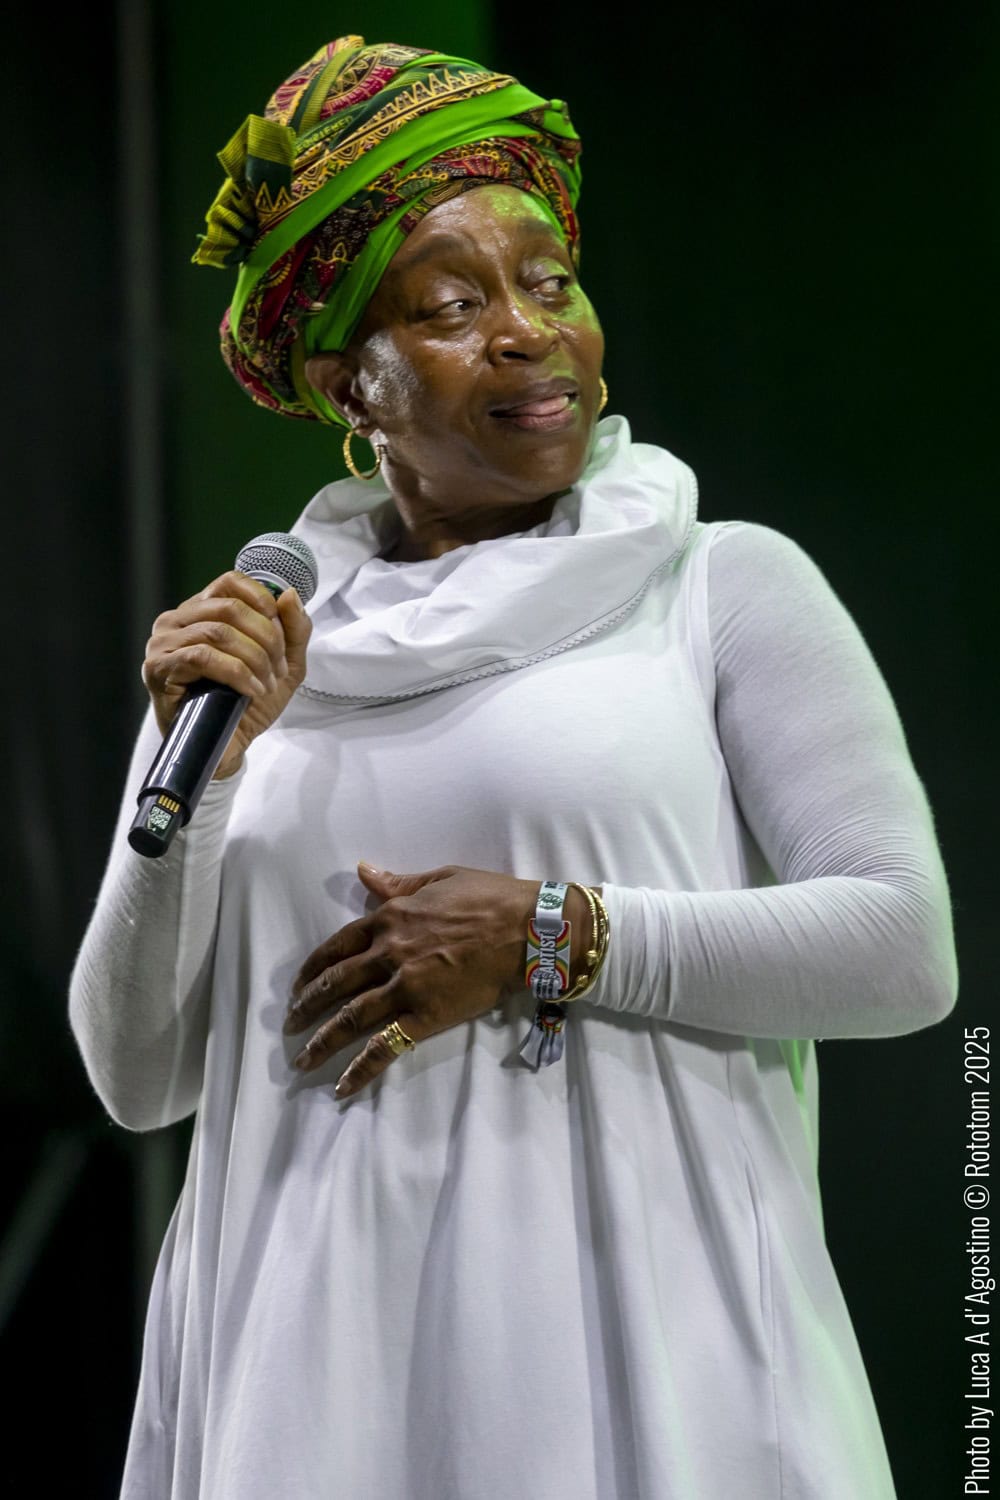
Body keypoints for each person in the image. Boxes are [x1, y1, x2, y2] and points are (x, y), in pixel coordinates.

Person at [69, 34, 958, 1500]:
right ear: (346, 384)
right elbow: (137, 1076)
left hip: (641, 1333)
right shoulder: (254, 660)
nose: (528, 333)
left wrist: (551, 933)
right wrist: (202, 775)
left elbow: (901, 948)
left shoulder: (716, 585)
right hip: (311, 1367)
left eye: (551, 283)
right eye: (450, 306)